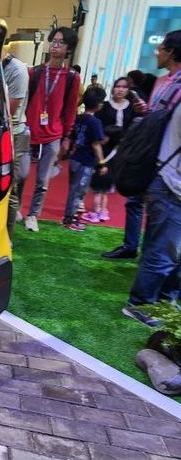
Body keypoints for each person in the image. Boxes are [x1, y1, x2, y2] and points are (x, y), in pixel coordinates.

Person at [121, 29, 181, 326]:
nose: (156, 52)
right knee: (162, 250)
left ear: (171, 52)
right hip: (168, 179)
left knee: (166, 248)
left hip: (163, 173)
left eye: (160, 48)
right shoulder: (168, 84)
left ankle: (166, 301)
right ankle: (141, 304)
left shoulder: (172, 85)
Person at [22, 27, 82, 232]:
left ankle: (33, 215)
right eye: (53, 41)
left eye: (61, 42)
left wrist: (67, 136)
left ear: (69, 49)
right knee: (21, 174)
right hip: (28, 130)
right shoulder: (35, 72)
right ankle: (16, 209)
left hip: (54, 134)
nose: (55, 45)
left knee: (42, 179)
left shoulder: (72, 77)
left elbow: (71, 109)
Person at [82, 77, 138, 223]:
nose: (120, 89)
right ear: (113, 88)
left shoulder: (132, 108)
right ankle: (97, 210)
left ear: (128, 90)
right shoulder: (105, 106)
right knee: (100, 178)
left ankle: (102, 210)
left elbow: (134, 127)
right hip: (103, 148)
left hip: (120, 150)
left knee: (108, 182)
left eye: (124, 87)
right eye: (118, 86)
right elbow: (97, 125)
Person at [62, 87, 107, 231]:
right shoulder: (95, 122)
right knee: (79, 191)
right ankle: (69, 219)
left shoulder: (79, 118)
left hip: (75, 158)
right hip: (85, 161)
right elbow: (96, 145)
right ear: (99, 104)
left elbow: (71, 138)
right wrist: (102, 163)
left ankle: (71, 216)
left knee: (74, 189)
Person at [2, 53, 30, 239]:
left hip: (13, 135)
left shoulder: (17, 70)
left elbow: (9, 112)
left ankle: (7, 237)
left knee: (10, 189)